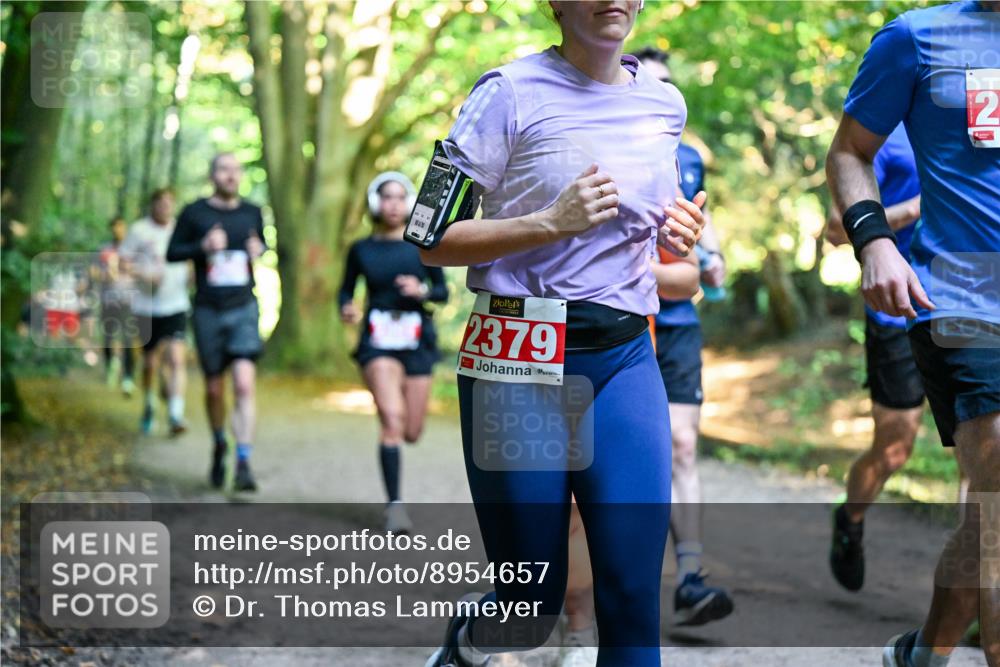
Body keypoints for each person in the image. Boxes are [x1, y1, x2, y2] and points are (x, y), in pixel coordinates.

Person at [419, 2, 706, 665]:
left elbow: (678, 267)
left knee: (634, 595)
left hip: (624, 357)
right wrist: (549, 221)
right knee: (531, 604)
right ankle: (466, 649)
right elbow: (429, 238)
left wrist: (679, 242)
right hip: (516, 358)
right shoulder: (506, 92)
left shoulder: (665, 106)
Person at [826, 2, 999, 665]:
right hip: (963, 296)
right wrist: (875, 241)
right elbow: (848, 151)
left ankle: (925, 653)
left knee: (989, 512)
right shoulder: (916, 38)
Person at [637, 46, 734, 627]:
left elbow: (699, 216)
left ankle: (690, 578)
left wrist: (714, 255)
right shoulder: (605, 143)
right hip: (617, 322)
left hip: (675, 320)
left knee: (682, 445)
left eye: (669, 82)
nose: (662, 91)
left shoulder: (690, 155)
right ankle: (607, 584)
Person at [825, 124, 929, 591]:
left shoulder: (977, 123)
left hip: (971, 303)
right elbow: (833, 229)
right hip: (898, 311)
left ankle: (974, 596)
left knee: (986, 452)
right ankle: (851, 516)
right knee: (894, 448)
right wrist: (916, 210)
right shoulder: (881, 137)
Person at [338, 171, 448, 534]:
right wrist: (347, 309)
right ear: (375, 203)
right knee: (391, 418)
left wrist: (422, 291)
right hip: (378, 341)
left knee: (412, 431)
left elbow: (442, 292)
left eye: (401, 198)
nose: (394, 204)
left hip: (417, 342)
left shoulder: (423, 245)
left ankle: (396, 491)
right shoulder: (361, 249)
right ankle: (395, 506)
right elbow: (345, 292)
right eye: (387, 197)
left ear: (410, 203)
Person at [166, 153, 266, 492]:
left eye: (236, 170)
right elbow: (172, 252)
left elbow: (259, 246)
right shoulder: (195, 212)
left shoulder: (252, 212)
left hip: (244, 307)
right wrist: (202, 246)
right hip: (208, 309)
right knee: (214, 388)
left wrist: (259, 249)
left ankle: (244, 460)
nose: (231, 175)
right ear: (212, 175)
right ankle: (220, 442)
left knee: (243, 384)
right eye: (224, 169)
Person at [121, 188, 191, 436]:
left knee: (176, 358)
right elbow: (123, 263)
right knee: (150, 362)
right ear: (153, 205)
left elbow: (191, 260)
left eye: (169, 202)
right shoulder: (139, 231)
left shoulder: (180, 231)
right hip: (146, 306)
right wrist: (143, 275)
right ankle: (149, 402)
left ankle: (175, 414)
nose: (165, 207)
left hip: (176, 304)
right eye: (160, 202)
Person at [96, 216, 137, 395]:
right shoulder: (103, 250)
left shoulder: (134, 250)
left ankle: (128, 377)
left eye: (120, 227)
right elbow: (95, 272)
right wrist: (104, 274)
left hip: (129, 300)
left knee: (129, 340)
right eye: (114, 227)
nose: (117, 230)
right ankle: (110, 366)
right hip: (108, 300)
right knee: (108, 337)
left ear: (125, 228)